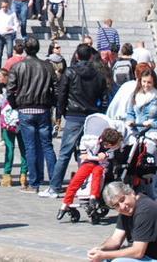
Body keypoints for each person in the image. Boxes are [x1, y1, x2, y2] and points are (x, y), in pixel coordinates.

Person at [51, 44, 107, 198]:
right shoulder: (98, 74)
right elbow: (104, 97)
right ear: (90, 56)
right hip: (91, 116)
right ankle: (87, 183)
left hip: (74, 114)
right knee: (89, 151)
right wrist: (100, 113)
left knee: (65, 152)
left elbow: (62, 94)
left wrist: (60, 113)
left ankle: (55, 186)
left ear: (77, 56)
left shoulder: (70, 72)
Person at [7, 37, 57, 194]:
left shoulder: (18, 66)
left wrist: (15, 105)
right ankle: (54, 181)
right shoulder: (47, 66)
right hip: (42, 108)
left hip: (26, 109)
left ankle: (34, 183)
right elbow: (55, 88)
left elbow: (9, 90)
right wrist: (52, 103)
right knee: (47, 146)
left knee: (30, 147)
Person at [88, 182, 157, 262]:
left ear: (131, 193)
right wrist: (100, 249)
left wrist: (104, 255)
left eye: (122, 199)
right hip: (146, 256)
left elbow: (138, 252)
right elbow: (115, 240)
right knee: (103, 259)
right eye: (116, 205)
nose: (122, 206)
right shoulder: (126, 211)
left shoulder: (145, 210)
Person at [125, 66, 157, 200]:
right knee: (132, 165)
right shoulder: (135, 95)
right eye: (144, 81)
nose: (146, 85)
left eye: (149, 82)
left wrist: (152, 123)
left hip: (152, 134)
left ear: (154, 82)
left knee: (147, 165)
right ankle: (136, 194)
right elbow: (130, 113)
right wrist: (130, 120)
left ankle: (153, 197)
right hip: (136, 134)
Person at [58, 127, 122, 220]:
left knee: (98, 172)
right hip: (89, 161)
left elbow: (113, 154)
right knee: (77, 179)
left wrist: (106, 155)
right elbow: (83, 141)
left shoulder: (114, 146)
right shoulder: (92, 140)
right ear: (107, 143)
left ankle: (93, 197)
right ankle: (65, 204)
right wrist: (84, 152)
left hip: (102, 164)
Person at [0, 68, 27, 187]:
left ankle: (7, 175)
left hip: (8, 121)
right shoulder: (21, 87)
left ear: (6, 77)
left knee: (9, 147)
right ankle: (24, 175)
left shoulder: (7, 89)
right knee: (23, 148)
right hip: (20, 119)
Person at [0, 0, 20, 71]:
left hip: (8, 35)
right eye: (3, 7)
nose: (4, 8)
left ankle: (9, 69)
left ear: (8, 6)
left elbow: (17, 24)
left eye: (5, 7)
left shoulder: (12, 13)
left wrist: (11, 28)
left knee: (9, 53)